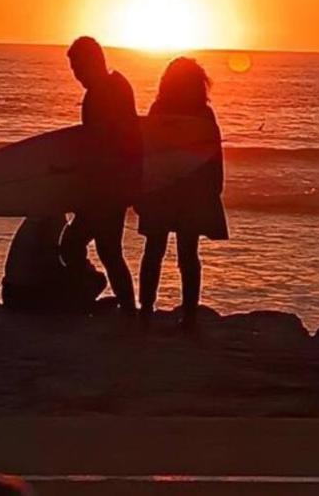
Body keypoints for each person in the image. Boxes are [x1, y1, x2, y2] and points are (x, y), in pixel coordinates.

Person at [137, 57, 227, 331]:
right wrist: (214, 190)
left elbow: (147, 153)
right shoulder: (202, 113)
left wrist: (142, 189)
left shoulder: (160, 109)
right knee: (187, 254)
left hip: (162, 189)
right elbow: (214, 155)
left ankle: (146, 314)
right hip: (191, 192)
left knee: (154, 251)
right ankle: (189, 317)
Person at [58, 36, 141, 315]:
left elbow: (107, 145)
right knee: (108, 250)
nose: (76, 75)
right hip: (112, 186)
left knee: (72, 244)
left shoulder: (102, 93)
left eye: (77, 67)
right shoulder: (117, 85)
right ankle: (127, 308)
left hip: (106, 188)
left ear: (91, 62)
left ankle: (94, 289)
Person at [0, 213, 106, 312]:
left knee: (91, 278)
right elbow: (53, 262)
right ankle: (80, 305)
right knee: (97, 280)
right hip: (23, 294)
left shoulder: (38, 217)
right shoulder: (54, 222)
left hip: (11, 291)